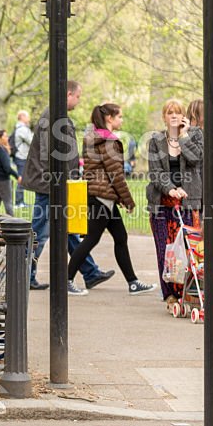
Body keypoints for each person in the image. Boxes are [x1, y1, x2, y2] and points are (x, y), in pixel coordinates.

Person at [20, 81, 114, 293]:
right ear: (69, 94)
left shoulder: (56, 116)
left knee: (68, 230)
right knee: (40, 233)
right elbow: (47, 155)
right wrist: (58, 182)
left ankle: (90, 272)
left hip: (55, 184)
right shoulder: (52, 117)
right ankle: (25, 275)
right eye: (78, 97)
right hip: (50, 185)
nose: (79, 101)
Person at [68, 103, 156, 296]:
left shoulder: (94, 138)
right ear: (109, 118)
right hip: (102, 196)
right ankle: (66, 280)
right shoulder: (109, 142)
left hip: (100, 194)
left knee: (120, 237)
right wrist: (128, 201)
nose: (121, 120)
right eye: (120, 117)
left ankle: (133, 282)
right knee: (91, 239)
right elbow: (116, 174)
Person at [147, 99, 203, 307]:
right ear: (164, 117)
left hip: (187, 203)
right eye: (169, 112)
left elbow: (196, 160)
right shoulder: (155, 141)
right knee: (165, 250)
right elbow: (156, 171)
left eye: (177, 112)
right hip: (162, 203)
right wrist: (170, 188)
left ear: (183, 116)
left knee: (189, 250)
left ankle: (187, 293)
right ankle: (169, 294)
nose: (173, 116)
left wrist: (184, 136)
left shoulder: (195, 136)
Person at [12, 111, 33, 209]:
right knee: (21, 179)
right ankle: (18, 202)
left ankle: (20, 201)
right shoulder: (22, 129)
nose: (29, 118)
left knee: (22, 178)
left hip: (21, 156)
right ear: (22, 117)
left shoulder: (20, 128)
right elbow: (31, 141)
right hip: (21, 157)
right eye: (27, 116)